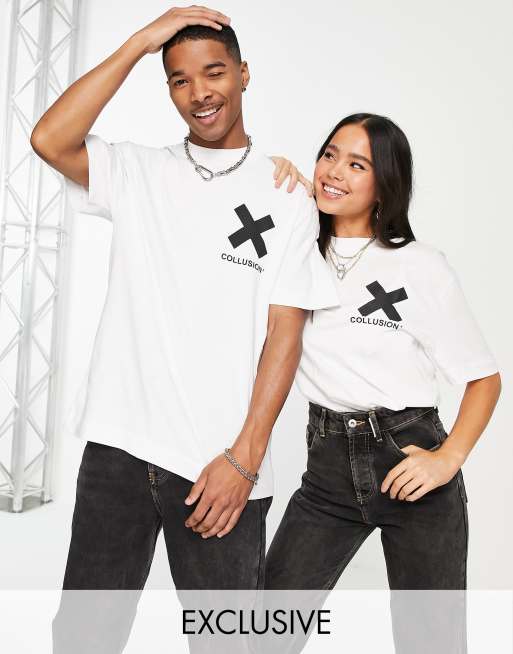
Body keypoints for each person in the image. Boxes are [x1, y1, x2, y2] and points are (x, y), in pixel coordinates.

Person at [30, 6, 338, 652]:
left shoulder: (288, 198)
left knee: (226, 644)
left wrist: (245, 460)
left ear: (244, 74)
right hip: (117, 455)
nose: (199, 92)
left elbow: (284, 335)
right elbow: (50, 139)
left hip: (218, 467)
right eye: (179, 79)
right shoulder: (138, 171)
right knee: (82, 640)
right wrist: (141, 42)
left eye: (214, 72)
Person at [263, 113, 502, 653]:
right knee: (266, 631)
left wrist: (447, 459)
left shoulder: (419, 266)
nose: (334, 171)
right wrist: (270, 181)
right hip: (326, 470)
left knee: (432, 644)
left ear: (385, 183)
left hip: (409, 459)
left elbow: (484, 379)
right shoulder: (295, 250)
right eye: (329, 155)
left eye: (357, 165)